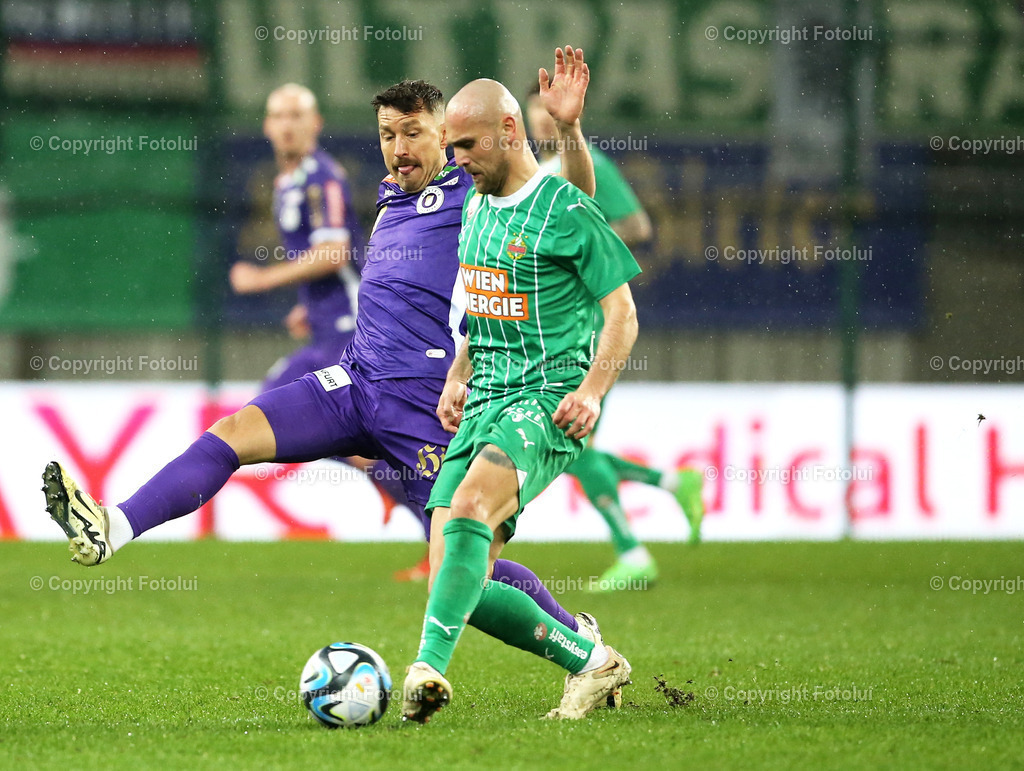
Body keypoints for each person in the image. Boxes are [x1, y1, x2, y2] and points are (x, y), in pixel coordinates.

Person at [41, 50, 605, 692]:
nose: (398, 148)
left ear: (445, 135)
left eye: (413, 132)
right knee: (233, 433)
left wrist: (568, 132)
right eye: (388, 134)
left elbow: (574, 200)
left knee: (458, 563)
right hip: (354, 383)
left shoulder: (472, 191)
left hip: (424, 405)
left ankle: (578, 642)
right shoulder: (393, 197)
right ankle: (111, 529)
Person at [402, 76, 639, 725]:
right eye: (450, 147)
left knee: (474, 505)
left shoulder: (562, 205)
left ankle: (425, 670)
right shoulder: (477, 208)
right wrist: (457, 371)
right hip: (485, 397)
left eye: (467, 145)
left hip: (549, 395)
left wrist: (592, 391)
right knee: (457, 581)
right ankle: (590, 658)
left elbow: (622, 313)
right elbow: (483, 307)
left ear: (510, 131)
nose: (456, 161)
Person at [523, 84, 706, 586]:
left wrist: (582, 247)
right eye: (533, 111)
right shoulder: (536, 173)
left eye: (545, 109)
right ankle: (671, 484)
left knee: (570, 433)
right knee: (570, 438)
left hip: (591, 322)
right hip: (556, 323)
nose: (541, 119)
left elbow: (638, 226)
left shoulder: (589, 163)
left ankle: (632, 552)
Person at [230, 83, 415, 525]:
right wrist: (307, 307)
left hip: (352, 331)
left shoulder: (321, 177)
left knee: (278, 420)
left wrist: (261, 279)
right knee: (270, 415)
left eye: (297, 116)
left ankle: (422, 514)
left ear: (315, 124)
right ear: (267, 126)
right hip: (326, 328)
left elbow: (334, 253)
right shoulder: (286, 183)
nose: (287, 125)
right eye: (279, 116)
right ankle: (386, 475)